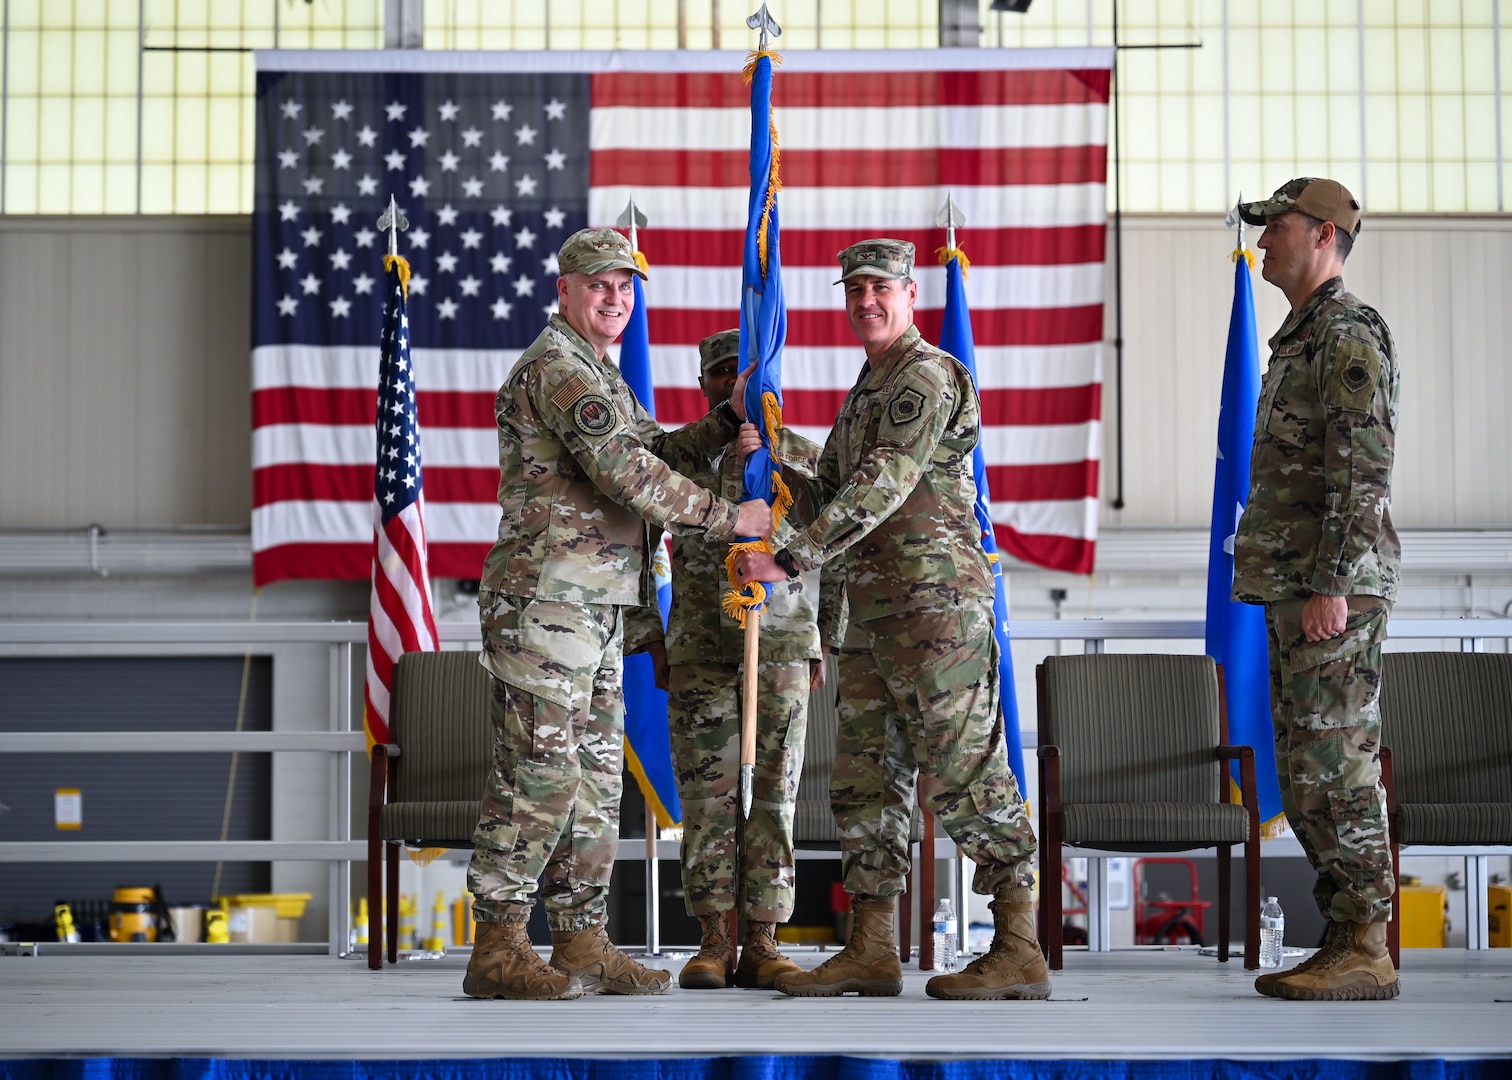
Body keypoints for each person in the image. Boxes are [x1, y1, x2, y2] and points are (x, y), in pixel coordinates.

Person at [735, 239, 1050, 1001]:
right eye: (855, 289)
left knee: (967, 773)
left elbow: (884, 484)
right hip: (874, 617)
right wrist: (774, 462)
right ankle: (872, 947)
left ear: (911, 294)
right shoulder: (869, 386)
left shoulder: (925, 375)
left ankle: (1018, 947)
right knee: (865, 785)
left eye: (881, 288)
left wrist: (791, 557)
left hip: (935, 612)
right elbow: (839, 483)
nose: (866, 301)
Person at [462, 228, 773, 1001]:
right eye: (599, 284)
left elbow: (648, 450)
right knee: (538, 773)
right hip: (547, 606)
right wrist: (731, 517)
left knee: (597, 783)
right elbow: (626, 473)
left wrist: (717, 422)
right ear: (564, 289)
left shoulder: (600, 373)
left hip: (596, 608)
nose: (615, 298)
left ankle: (580, 940)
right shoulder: (559, 369)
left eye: (626, 286)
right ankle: (498, 945)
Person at [630, 328, 843, 990]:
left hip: (779, 648)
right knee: (708, 801)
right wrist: (651, 638)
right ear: (705, 385)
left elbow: (837, 547)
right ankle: (714, 941)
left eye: (746, 372)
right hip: (699, 650)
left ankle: (765, 940)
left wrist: (825, 637)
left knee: (775, 798)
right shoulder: (678, 463)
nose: (735, 383)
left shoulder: (804, 460)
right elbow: (634, 547)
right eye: (723, 373)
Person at [1232, 178, 1401, 1001]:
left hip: (1331, 592)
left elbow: (1362, 472)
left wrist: (1331, 582)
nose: (1264, 242)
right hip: (1297, 590)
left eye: (1277, 228)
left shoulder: (1348, 334)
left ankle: (1369, 943)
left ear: (1324, 235)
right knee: (1306, 772)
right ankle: (1344, 936)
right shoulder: (1298, 339)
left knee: (1339, 767)